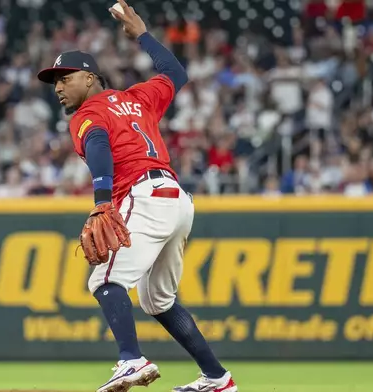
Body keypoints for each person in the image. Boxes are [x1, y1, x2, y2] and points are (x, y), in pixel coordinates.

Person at [36, 1, 237, 392]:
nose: (58, 86)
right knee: (159, 301)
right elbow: (175, 73)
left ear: (91, 78)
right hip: (176, 200)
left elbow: (97, 145)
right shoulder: (138, 98)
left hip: (144, 195)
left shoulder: (87, 113)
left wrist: (101, 200)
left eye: (66, 77)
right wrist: (142, 35)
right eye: (54, 81)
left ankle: (131, 360)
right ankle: (218, 379)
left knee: (104, 281)